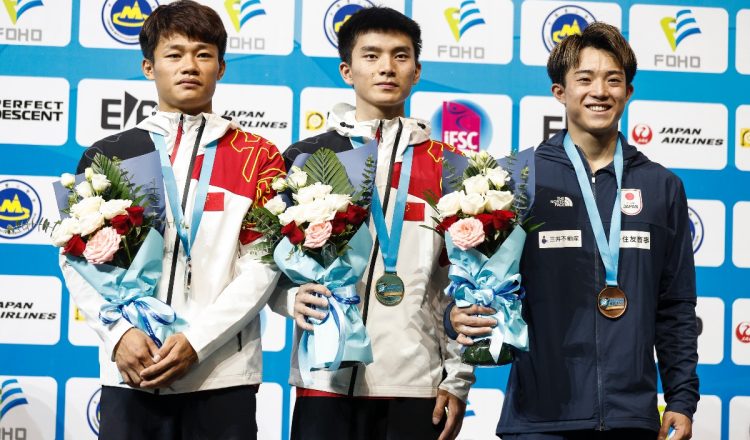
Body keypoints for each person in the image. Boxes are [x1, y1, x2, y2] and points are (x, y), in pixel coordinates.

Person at [448, 22, 699, 440]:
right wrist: (454, 315)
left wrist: (680, 398)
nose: (599, 91)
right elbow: (474, 283)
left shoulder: (661, 186)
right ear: (559, 92)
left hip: (631, 417)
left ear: (628, 92)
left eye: (613, 80)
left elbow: (676, 307)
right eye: (585, 79)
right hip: (538, 417)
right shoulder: (516, 179)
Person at [59, 1, 285, 438]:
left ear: (221, 68)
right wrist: (120, 333)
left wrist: (199, 341)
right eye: (174, 54)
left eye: (203, 54)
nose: (190, 66)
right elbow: (76, 258)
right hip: (132, 369)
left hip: (222, 374)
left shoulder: (259, 156)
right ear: (149, 67)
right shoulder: (112, 153)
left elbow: (263, 264)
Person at [269, 6, 474, 440]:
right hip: (324, 379)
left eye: (400, 56)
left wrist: (456, 378)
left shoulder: (450, 166)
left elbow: (469, 282)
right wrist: (290, 302)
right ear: (347, 69)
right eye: (371, 55)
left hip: (415, 381)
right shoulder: (306, 157)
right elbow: (269, 261)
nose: (386, 67)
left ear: (417, 72)